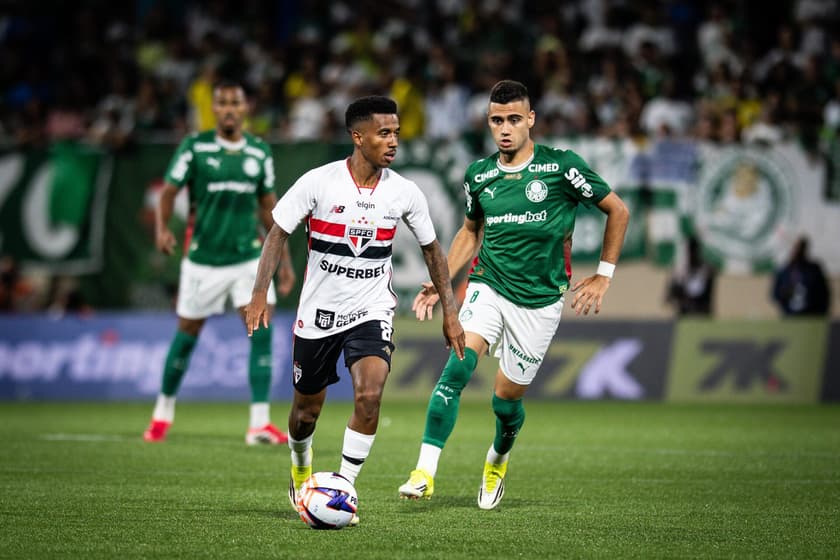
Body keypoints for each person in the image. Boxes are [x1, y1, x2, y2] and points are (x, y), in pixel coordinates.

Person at [397, 80, 630, 509]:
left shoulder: (561, 168)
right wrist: (444, 278)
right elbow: (471, 232)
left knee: (505, 402)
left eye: (513, 120)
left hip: (541, 302)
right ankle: (423, 471)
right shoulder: (479, 175)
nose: (504, 129)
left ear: (531, 121)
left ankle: (497, 460)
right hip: (489, 284)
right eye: (496, 120)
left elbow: (618, 209)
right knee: (456, 368)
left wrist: (604, 275)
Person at [244, 95, 465, 525]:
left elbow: (434, 251)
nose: (393, 141)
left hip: (371, 309)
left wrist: (450, 312)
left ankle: (342, 488)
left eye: (397, 132)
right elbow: (277, 233)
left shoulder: (404, 192)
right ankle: (301, 469)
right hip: (319, 313)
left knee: (369, 394)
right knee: (306, 411)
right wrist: (259, 292)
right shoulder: (319, 182)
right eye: (384, 133)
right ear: (357, 136)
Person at [143, 80, 295, 444]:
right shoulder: (195, 147)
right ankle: (162, 414)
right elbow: (168, 190)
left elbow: (268, 207)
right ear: (214, 108)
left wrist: (284, 262)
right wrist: (162, 229)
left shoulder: (259, 151)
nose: (228, 109)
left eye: (235, 103)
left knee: (261, 327)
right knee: (187, 334)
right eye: (222, 103)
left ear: (246, 109)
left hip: (247, 258)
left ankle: (259, 422)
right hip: (203, 260)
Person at [772, 236, 830, 316]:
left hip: (812, 314)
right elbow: (775, 294)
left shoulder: (814, 270)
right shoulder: (784, 271)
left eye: (800, 248)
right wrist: (785, 294)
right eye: (795, 248)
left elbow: (824, 293)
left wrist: (821, 311)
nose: (797, 251)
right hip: (790, 315)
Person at [666, 235, 717, 315]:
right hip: (684, 314)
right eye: (688, 251)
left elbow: (704, 293)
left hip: (702, 313)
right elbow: (669, 297)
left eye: (693, 251)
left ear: (698, 251)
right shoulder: (678, 272)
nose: (691, 254)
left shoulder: (706, 270)